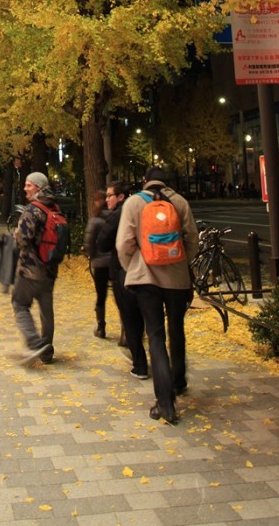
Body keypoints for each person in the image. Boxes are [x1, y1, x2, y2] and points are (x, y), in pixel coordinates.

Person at [116, 167, 199, 425]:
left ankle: (165, 403)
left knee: (155, 335)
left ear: (144, 180)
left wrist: (135, 268)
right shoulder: (180, 202)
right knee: (176, 328)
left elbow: (123, 244)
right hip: (176, 278)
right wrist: (183, 265)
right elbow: (193, 240)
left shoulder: (133, 203)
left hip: (147, 278)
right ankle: (178, 380)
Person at [97, 180, 149, 380]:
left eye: (110, 195)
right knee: (147, 317)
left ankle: (140, 364)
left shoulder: (118, 215)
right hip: (148, 270)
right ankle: (155, 360)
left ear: (120, 197)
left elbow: (103, 243)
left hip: (124, 271)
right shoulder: (145, 208)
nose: (106, 199)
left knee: (130, 317)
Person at [12, 171, 60, 365]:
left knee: (20, 304)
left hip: (31, 268)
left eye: (29, 185)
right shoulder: (54, 207)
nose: (25, 188)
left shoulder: (33, 209)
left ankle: (34, 342)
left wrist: (16, 235)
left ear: (38, 187)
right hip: (50, 268)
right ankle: (47, 351)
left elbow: (23, 238)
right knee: (46, 310)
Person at [82, 189, 111, 339]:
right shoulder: (113, 218)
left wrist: (91, 255)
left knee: (101, 295)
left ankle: (101, 326)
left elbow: (89, 242)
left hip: (100, 263)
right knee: (120, 295)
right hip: (114, 262)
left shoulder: (95, 221)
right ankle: (126, 330)